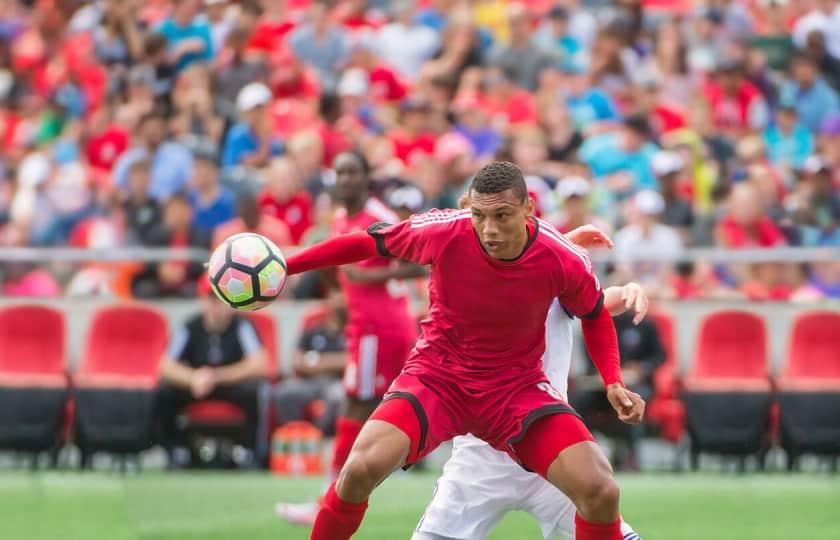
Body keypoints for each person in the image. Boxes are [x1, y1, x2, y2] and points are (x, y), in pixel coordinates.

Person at [281, 161, 645, 540]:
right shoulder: (444, 231)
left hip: (515, 392)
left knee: (601, 489)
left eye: (501, 215)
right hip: (438, 379)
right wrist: (285, 268)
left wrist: (613, 381)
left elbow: (595, 311)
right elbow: (366, 242)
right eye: (479, 215)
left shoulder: (561, 256)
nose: (489, 229)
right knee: (358, 469)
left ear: (527, 210)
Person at [413, 281, 647, 540]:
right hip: (480, 458)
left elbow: (596, 302)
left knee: (603, 501)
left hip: (551, 455)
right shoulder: (469, 281)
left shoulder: (552, 269)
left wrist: (625, 292)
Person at [277, 150, 424, 525]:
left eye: (352, 172)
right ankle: (336, 495)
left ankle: (330, 500)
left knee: (357, 406)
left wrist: (368, 278)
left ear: (366, 177)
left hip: (382, 328)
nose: (345, 179)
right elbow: (336, 263)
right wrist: (339, 291)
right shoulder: (341, 217)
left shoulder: (380, 218)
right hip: (363, 326)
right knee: (366, 405)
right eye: (339, 173)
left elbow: (417, 262)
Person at [156, 277, 266, 465]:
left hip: (229, 385)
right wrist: (193, 378)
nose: (216, 306)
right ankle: (175, 450)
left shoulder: (242, 326)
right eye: (211, 299)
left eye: (221, 300)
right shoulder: (190, 327)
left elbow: (260, 363)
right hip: (196, 386)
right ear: (202, 300)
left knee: (254, 391)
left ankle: (251, 452)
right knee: (164, 391)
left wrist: (216, 377)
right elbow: (165, 365)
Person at [272, 287, 348, 434]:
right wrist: (335, 362)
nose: (341, 302)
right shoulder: (314, 330)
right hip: (309, 382)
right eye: (336, 295)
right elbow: (296, 362)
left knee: (338, 397)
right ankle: (295, 437)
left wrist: (317, 362)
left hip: (339, 382)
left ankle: (320, 438)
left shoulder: (354, 331)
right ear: (328, 300)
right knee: (284, 392)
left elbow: (351, 361)